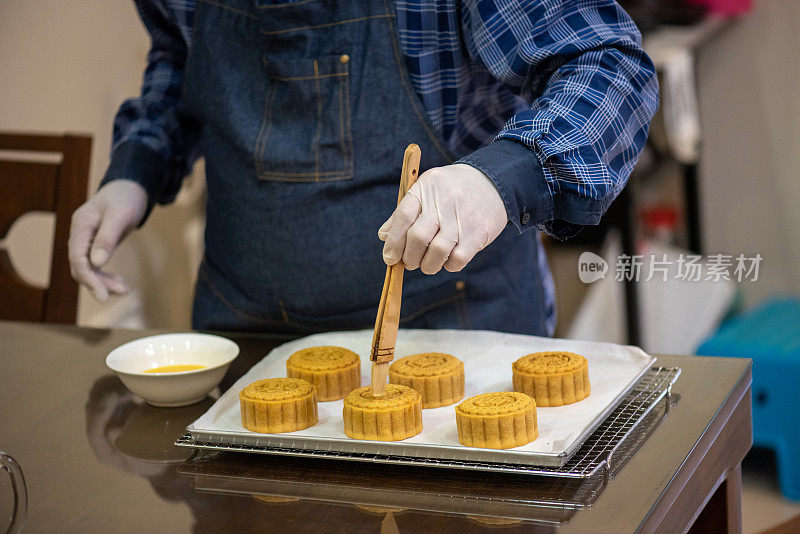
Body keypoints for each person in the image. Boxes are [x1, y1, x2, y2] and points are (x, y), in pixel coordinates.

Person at [69, 0, 658, 336]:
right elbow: (179, 53)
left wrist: (502, 178)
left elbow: (611, 66)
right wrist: (136, 170)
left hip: (454, 324)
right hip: (242, 331)